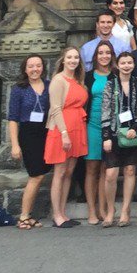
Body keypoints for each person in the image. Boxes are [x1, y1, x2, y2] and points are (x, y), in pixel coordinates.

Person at [100, 50, 137, 227]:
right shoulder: (110, 85)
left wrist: (136, 126)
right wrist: (106, 136)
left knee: (130, 171)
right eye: (123, 63)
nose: (126, 66)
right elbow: (105, 110)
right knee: (111, 174)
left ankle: (126, 210)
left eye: (129, 63)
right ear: (117, 65)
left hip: (133, 133)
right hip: (113, 133)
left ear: (133, 65)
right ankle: (111, 210)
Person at [44, 47, 88, 228]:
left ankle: (63, 212)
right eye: (69, 57)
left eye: (76, 57)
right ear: (63, 60)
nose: (73, 60)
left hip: (77, 127)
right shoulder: (58, 80)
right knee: (60, 172)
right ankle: (57, 215)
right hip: (62, 129)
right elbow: (55, 109)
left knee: (69, 172)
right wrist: (63, 134)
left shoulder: (78, 81)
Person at [7, 54, 50, 229]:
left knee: (41, 174)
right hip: (28, 133)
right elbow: (12, 119)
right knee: (36, 175)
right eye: (31, 66)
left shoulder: (48, 86)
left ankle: (29, 214)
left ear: (43, 68)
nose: (35, 69)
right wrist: (15, 144)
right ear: (25, 69)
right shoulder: (19, 89)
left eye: (38, 66)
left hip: (46, 132)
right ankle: (23, 216)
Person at [81, 40, 115, 225]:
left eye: (107, 52)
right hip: (92, 126)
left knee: (105, 168)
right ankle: (91, 210)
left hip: (110, 127)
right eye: (101, 53)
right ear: (95, 56)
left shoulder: (116, 76)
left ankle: (103, 208)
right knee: (91, 168)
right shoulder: (88, 77)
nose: (104, 56)